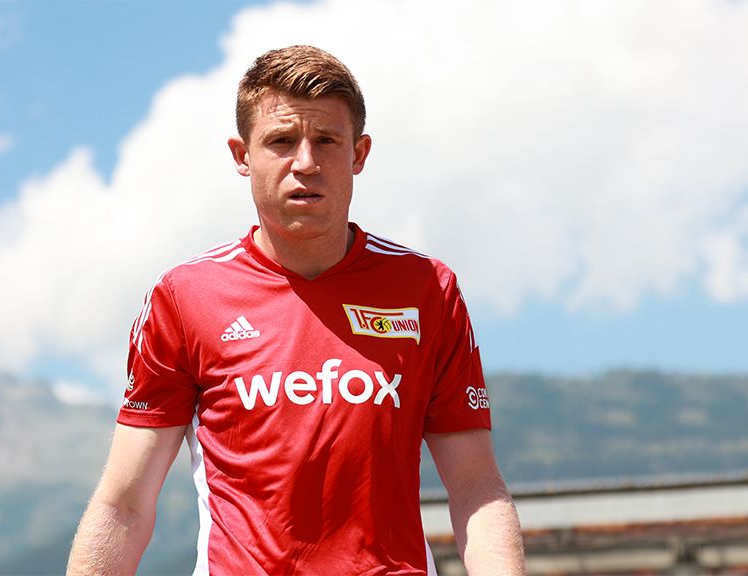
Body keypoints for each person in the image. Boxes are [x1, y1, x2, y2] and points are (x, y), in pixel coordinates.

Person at [67, 45, 525, 575]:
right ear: (242, 156)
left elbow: (476, 490)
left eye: (326, 140)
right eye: (282, 141)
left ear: (359, 154)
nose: (305, 162)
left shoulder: (428, 289)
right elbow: (124, 503)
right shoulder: (183, 295)